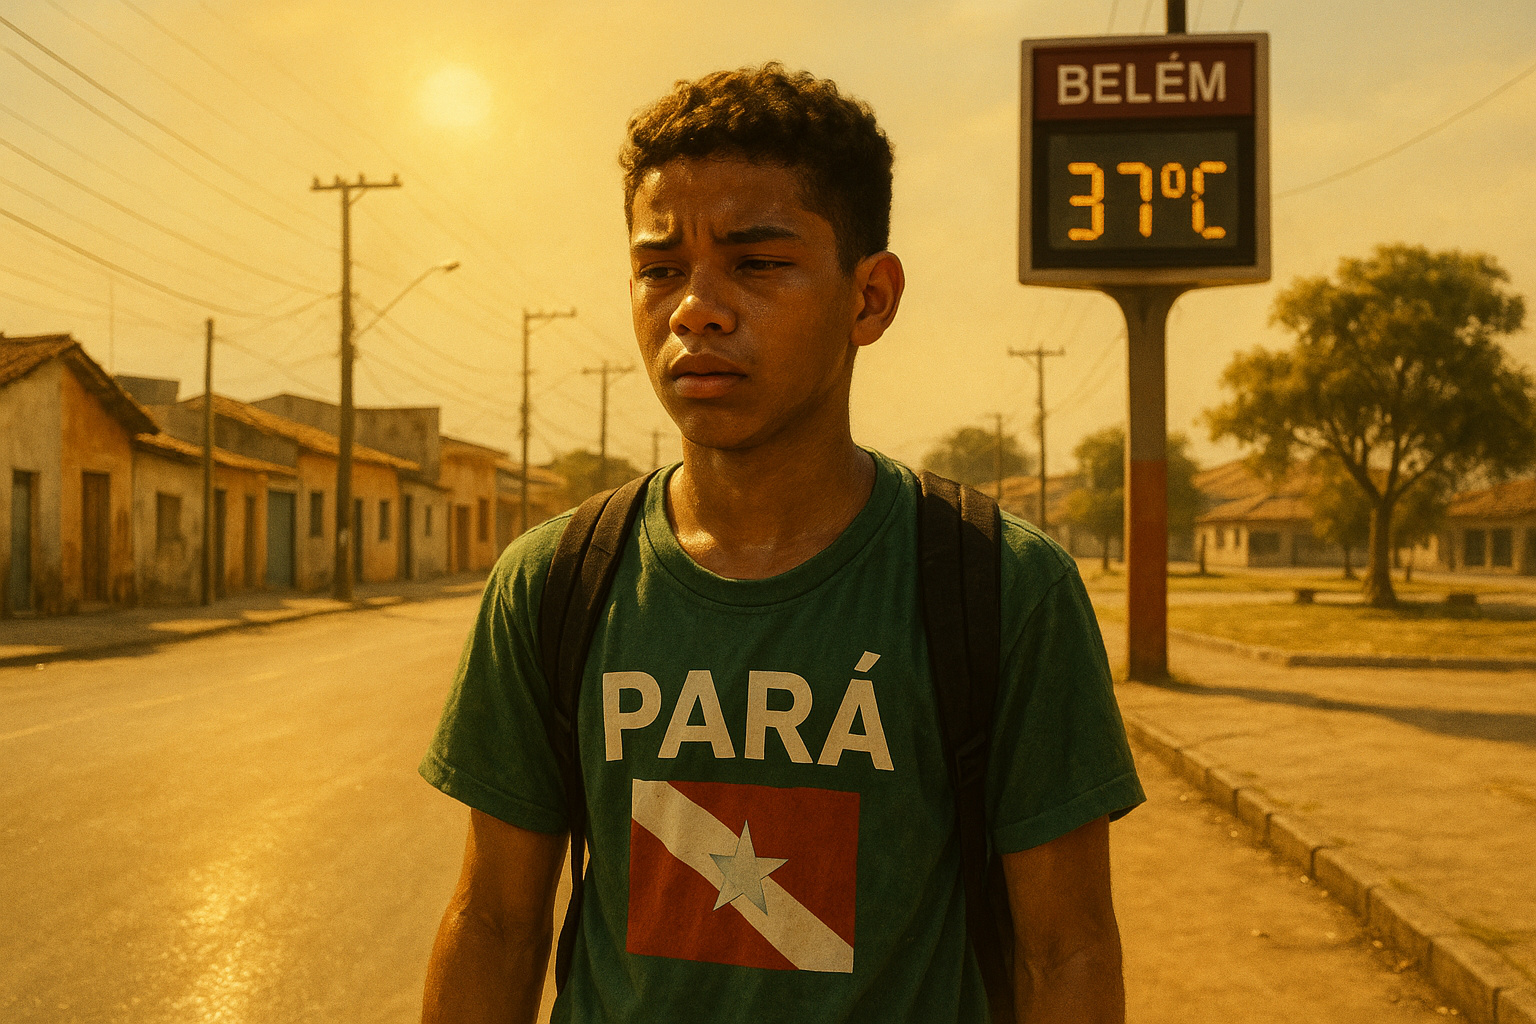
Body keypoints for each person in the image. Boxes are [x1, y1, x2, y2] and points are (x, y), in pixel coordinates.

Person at [419, 63, 1144, 1024]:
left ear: (870, 299)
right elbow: (495, 925)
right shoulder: (554, 579)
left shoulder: (1001, 585)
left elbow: (1068, 950)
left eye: (758, 264)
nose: (696, 308)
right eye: (660, 269)